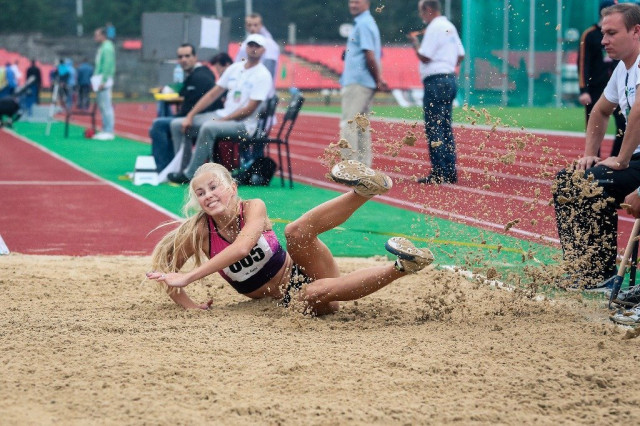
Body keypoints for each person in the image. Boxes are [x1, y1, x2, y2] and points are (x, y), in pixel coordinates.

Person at [146, 160, 433, 314]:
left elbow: (243, 247)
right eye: (200, 193)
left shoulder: (253, 207)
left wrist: (189, 277)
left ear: (232, 188)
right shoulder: (200, 232)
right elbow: (168, 273)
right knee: (312, 293)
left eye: (214, 187)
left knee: (294, 232)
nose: (208, 195)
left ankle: (363, 192)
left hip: (304, 269)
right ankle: (403, 265)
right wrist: (191, 306)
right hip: (292, 299)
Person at [552, 3, 640, 289]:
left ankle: (598, 274)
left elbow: (639, 113)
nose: (603, 41)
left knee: (595, 184)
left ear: (636, 31)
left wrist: (621, 159)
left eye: (612, 33)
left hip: (636, 162)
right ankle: (584, 270)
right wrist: (590, 154)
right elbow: (600, 111)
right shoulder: (622, 69)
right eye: (603, 33)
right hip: (635, 160)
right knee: (568, 181)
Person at [167, 34, 273, 184]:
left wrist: (224, 120)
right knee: (177, 124)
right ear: (246, 47)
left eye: (257, 46)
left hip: (244, 125)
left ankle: (191, 174)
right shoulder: (235, 68)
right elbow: (212, 94)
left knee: (209, 127)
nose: (253, 49)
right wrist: (190, 115)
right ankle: (181, 169)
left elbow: (250, 109)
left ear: (263, 50)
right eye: (251, 45)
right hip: (222, 115)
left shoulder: (263, 75)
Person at [408, 0, 465, 185]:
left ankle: (439, 171)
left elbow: (425, 56)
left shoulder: (434, 27)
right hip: (449, 78)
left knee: (434, 127)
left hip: (435, 81)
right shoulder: (449, 26)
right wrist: (447, 63)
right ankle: (450, 170)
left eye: (421, 12)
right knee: (445, 126)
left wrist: (415, 44)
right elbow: (461, 54)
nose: (421, 16)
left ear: (428, 9)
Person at [150, 44, 221, 172]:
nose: (183, 60)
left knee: (159, 125)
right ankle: (170, 164)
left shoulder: (200, 76)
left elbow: (193, 107)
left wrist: (183, 116)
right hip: (195, 116)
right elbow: (184, 95)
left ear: (195, 57)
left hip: (203, 117)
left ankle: (164, 168)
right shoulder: (195, 75)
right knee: (165, 123)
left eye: (187, 56)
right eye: (180, 57)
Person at [339, 0, 387, 168]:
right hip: (364, 81)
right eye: (351, 1)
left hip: (358, 81)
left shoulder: (363, 24)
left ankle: (349, 167)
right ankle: (363, 166)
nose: (353, 5)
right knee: (361, 126)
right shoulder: (366, 22)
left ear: (367, 3)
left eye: (357, 2)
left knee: (349, 124)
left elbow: (369, 55)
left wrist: (378, 79)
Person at [578, 0, 626, 157]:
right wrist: (584, 90)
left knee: (624, 125)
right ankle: (593, 161)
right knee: (594, 128)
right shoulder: (590, 34)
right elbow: (583, 63)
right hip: (595, 89)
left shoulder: (622, 34)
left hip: (617, 88)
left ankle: (615, 159)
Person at [235, 13, 280, 91]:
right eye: (249, 25)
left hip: (262, 89)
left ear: (261, 25)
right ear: (245, 26)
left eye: (255, 25)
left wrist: (266, 89)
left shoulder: (269, 44)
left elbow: (269, 68)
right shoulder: (245, 44)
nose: (252, 28)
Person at [92, 27, 116, 140]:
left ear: (103, 35)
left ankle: (109, 130)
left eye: (97, 35)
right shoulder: (103, 47)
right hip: (100, 79)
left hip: (103, 80)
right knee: (102, 106)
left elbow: (107, 65)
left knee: (106, 106)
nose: (95, 37)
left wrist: (103, 80)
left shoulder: (107, 48)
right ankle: (105, 128)